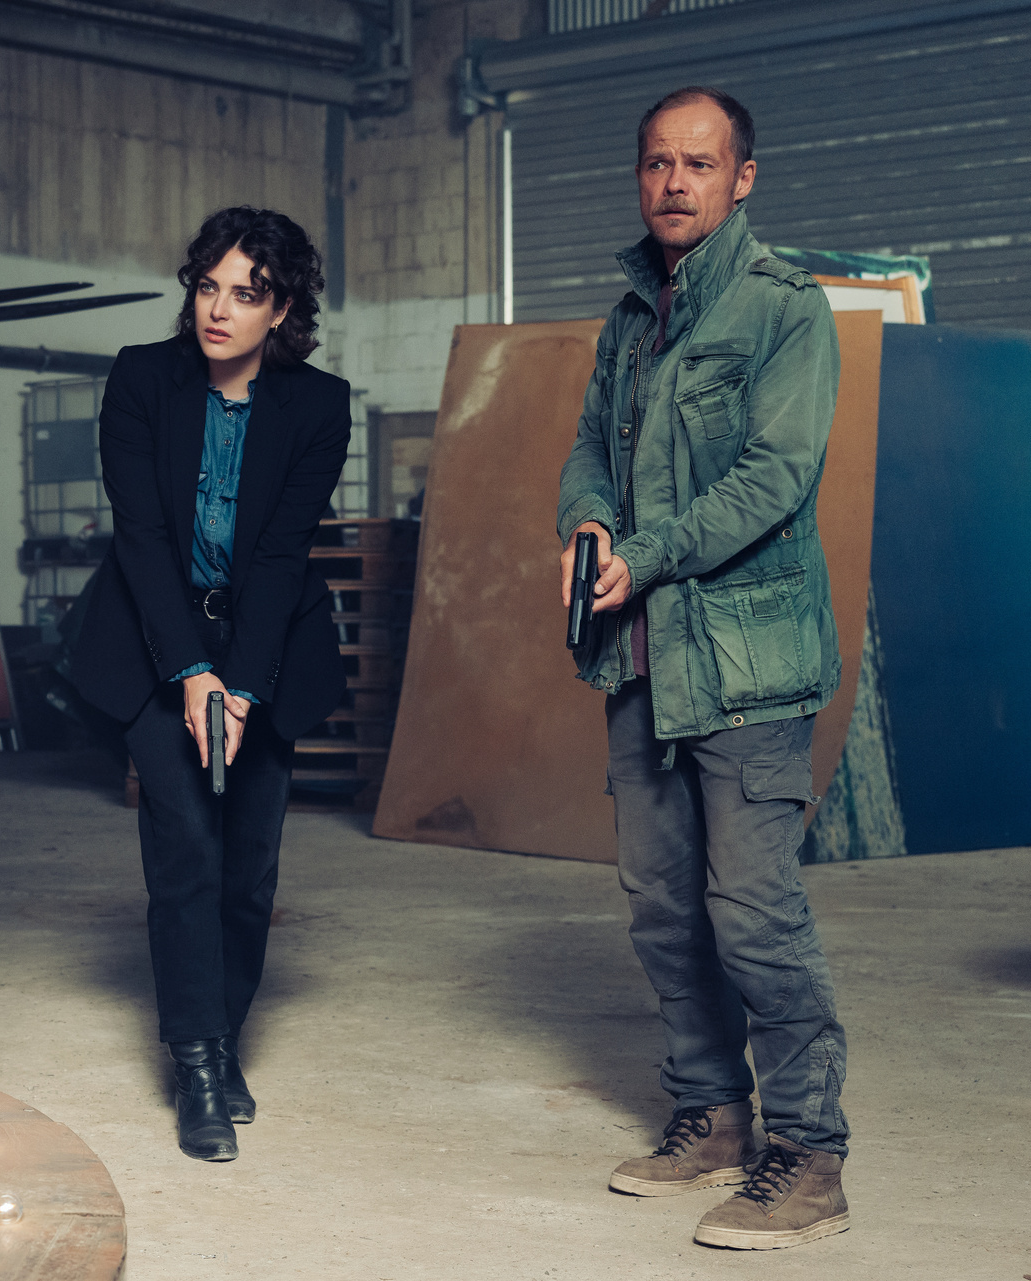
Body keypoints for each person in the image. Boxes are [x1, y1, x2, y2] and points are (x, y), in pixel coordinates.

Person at [556, 86, 851, 1249]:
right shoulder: (632, 317)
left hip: (746, 662)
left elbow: (776, 475)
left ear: (743, 178)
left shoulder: (785, 309)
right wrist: (588, 521)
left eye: (698, 162)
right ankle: (713, 1117)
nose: (674, 182)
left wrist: (645, 554)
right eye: (656, 163)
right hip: (640, 659)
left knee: (755, 914)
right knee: (665, 907)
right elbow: (593, 443)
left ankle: (810, 1157)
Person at [70, 206, 350, 1162]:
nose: (219, 310)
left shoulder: (318, 406)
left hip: (268, 646)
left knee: (250, 866)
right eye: (207, 286)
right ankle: (195, 1065)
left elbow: (279, 556)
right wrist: (191, 670)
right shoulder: (141, 379)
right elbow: (142, 538)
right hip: (154, 639)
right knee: (188, 842)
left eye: (247, 294)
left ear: (282, 311)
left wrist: (240, 686)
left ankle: (224, 1034)